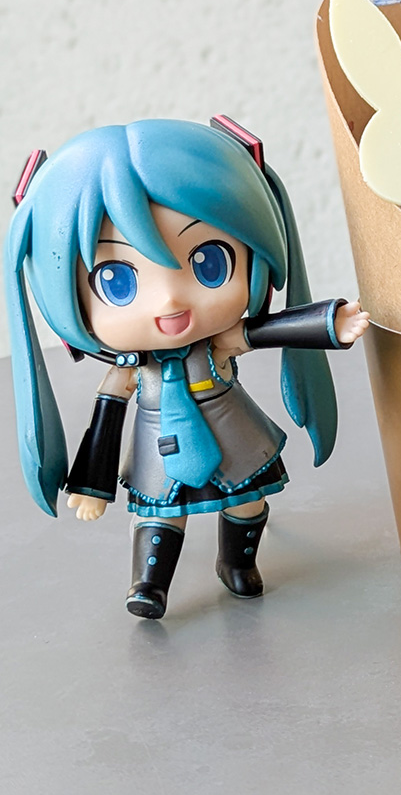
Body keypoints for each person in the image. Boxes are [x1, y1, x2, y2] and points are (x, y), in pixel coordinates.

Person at [5, 116, 368, 619]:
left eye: (208, 263)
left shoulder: (218, 344)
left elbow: (264, 332)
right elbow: (105, 423)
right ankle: (149, 584)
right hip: (158, 452)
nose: (170, 300)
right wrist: (91, 485)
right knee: (161, 519)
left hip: (235, 438)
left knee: (248, 503)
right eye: (117, 282)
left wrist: (328, 322)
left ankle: (236, 563)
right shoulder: (129, 370)